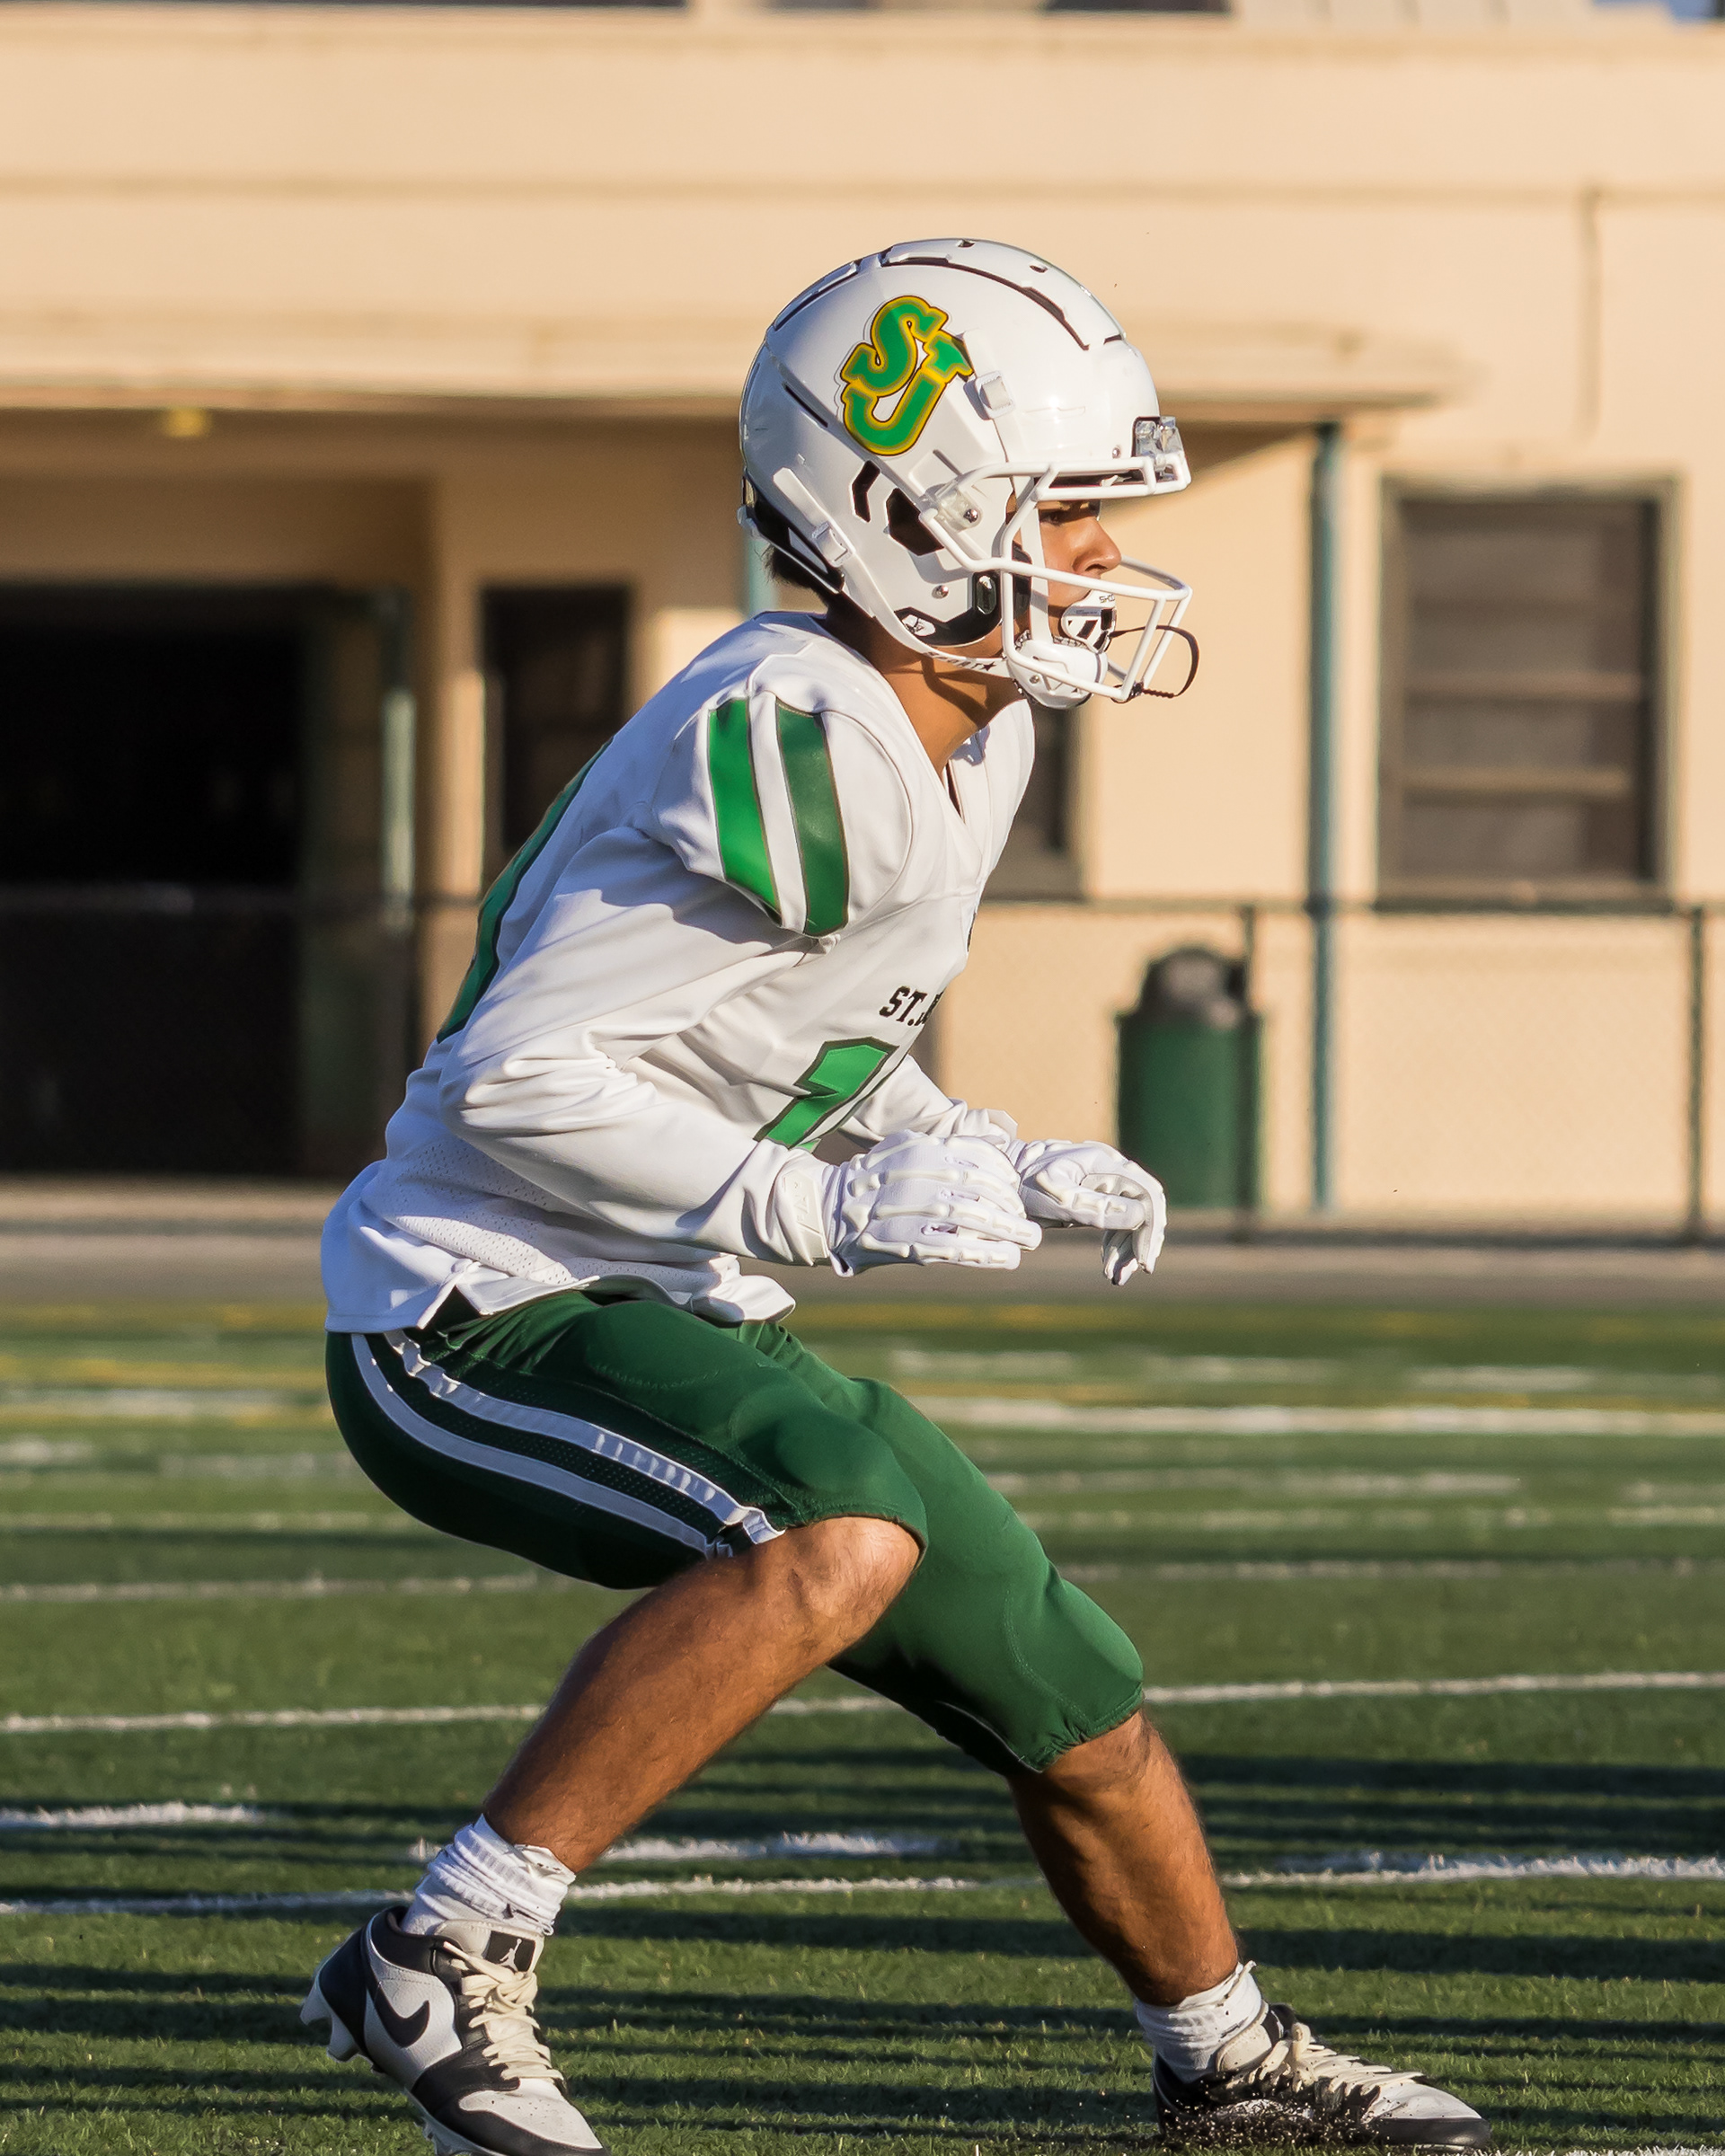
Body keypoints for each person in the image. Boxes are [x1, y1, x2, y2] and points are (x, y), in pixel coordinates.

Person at [303, 239, 1491, 2156]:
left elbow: (812, 1034)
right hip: (473, 1304)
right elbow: (508, 1084)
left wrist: (981, 1145)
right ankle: (442, 1949)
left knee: (1061, 1672)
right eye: (1067, 512)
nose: (1101, 558)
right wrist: (812, 1212)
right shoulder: (796, 719)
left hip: (667, 1300)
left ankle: (1228, 2063)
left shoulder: (966, 725)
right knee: (841, 1530)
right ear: (908, 518)